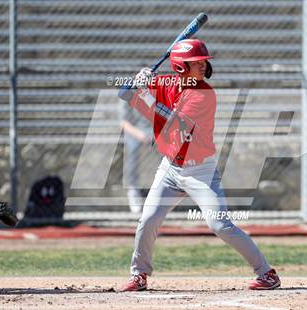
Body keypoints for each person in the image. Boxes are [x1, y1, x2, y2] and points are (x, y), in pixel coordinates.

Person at [118, 39, 280, 291]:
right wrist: (139, 80)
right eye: (196, 63)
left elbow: (173, 120)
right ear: (180, 67)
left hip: (201, 171)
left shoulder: (204, 93)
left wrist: (142, 95)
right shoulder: (167, 83)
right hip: (170, 168)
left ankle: (266, 273)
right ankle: (139, 275)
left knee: (220, 225)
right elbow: (129, 91)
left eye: (203, 62)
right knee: (148, 219)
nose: (203, 66)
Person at [119, 95, 153, 213]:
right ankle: (133, 189)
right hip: (135, 132)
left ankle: (168, 189)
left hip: (154, 131)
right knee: (132, 148)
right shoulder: (128, 95)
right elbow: (123, 123)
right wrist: (139, 135)